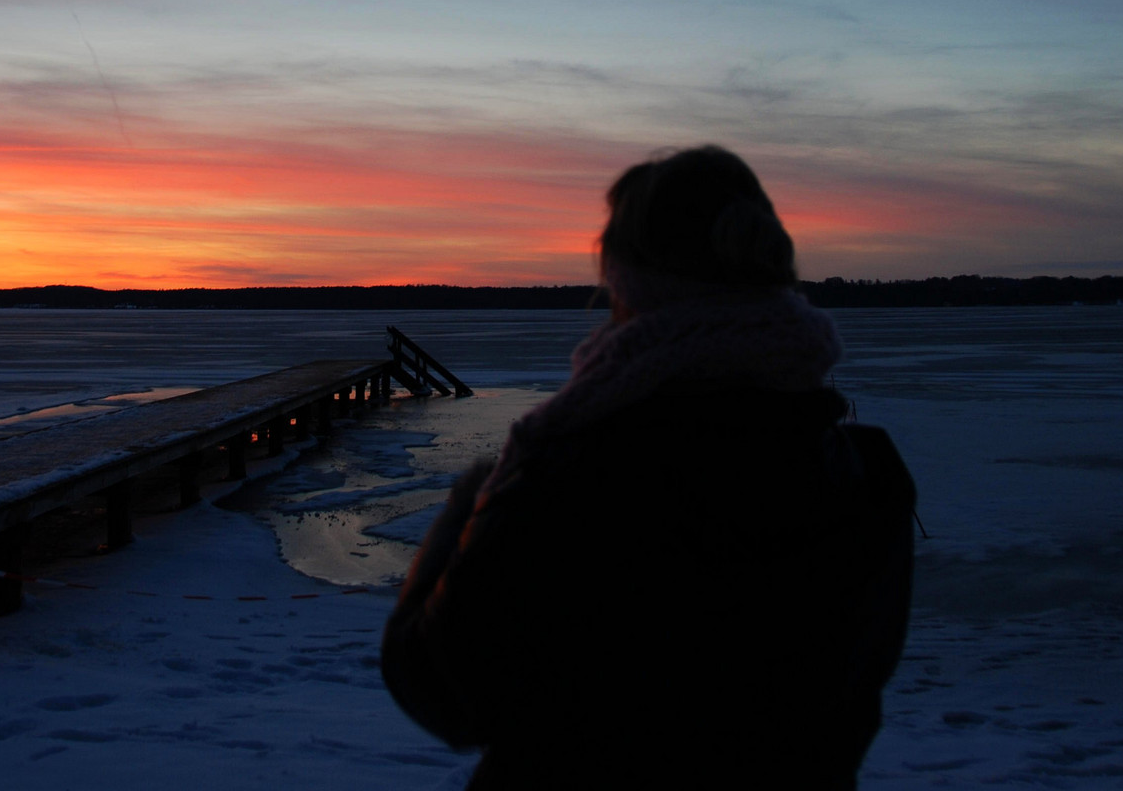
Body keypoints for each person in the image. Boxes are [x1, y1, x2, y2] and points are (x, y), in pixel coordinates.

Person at [381, 145, 916, 789]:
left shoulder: (578, 480)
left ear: (630, 284)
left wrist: (467, 514)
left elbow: (445, 689)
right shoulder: (867, 477)